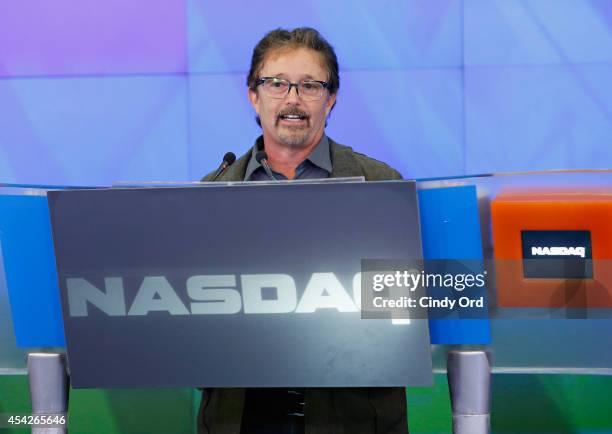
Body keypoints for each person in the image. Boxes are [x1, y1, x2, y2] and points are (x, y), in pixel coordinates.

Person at [200, 27, 408, 434]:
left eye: (309, 85)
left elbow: (399, 312)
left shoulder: (381, 184)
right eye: (276, 84)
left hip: (351, 418)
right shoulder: (212, 191)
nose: (292, 98)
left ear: (330, 99)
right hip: (240, 416)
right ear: (253, 96)